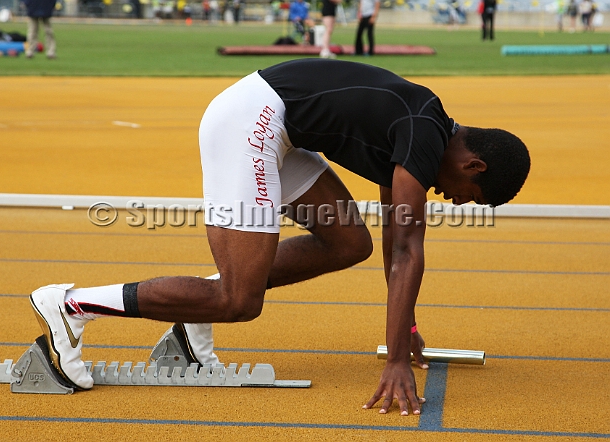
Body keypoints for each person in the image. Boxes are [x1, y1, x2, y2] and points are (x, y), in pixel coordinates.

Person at [29, 59, 530, 415]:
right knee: (239, 301)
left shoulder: (425, 133)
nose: (456, 201)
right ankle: (71, 305)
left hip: (276, 123)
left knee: (349, 243)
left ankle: (190, 319)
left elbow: (395, 236)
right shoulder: (424, 134)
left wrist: (408, 330)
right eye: (467, 195)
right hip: (252, 121)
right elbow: (407, 250)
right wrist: (396, 358)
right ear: (474, 165)